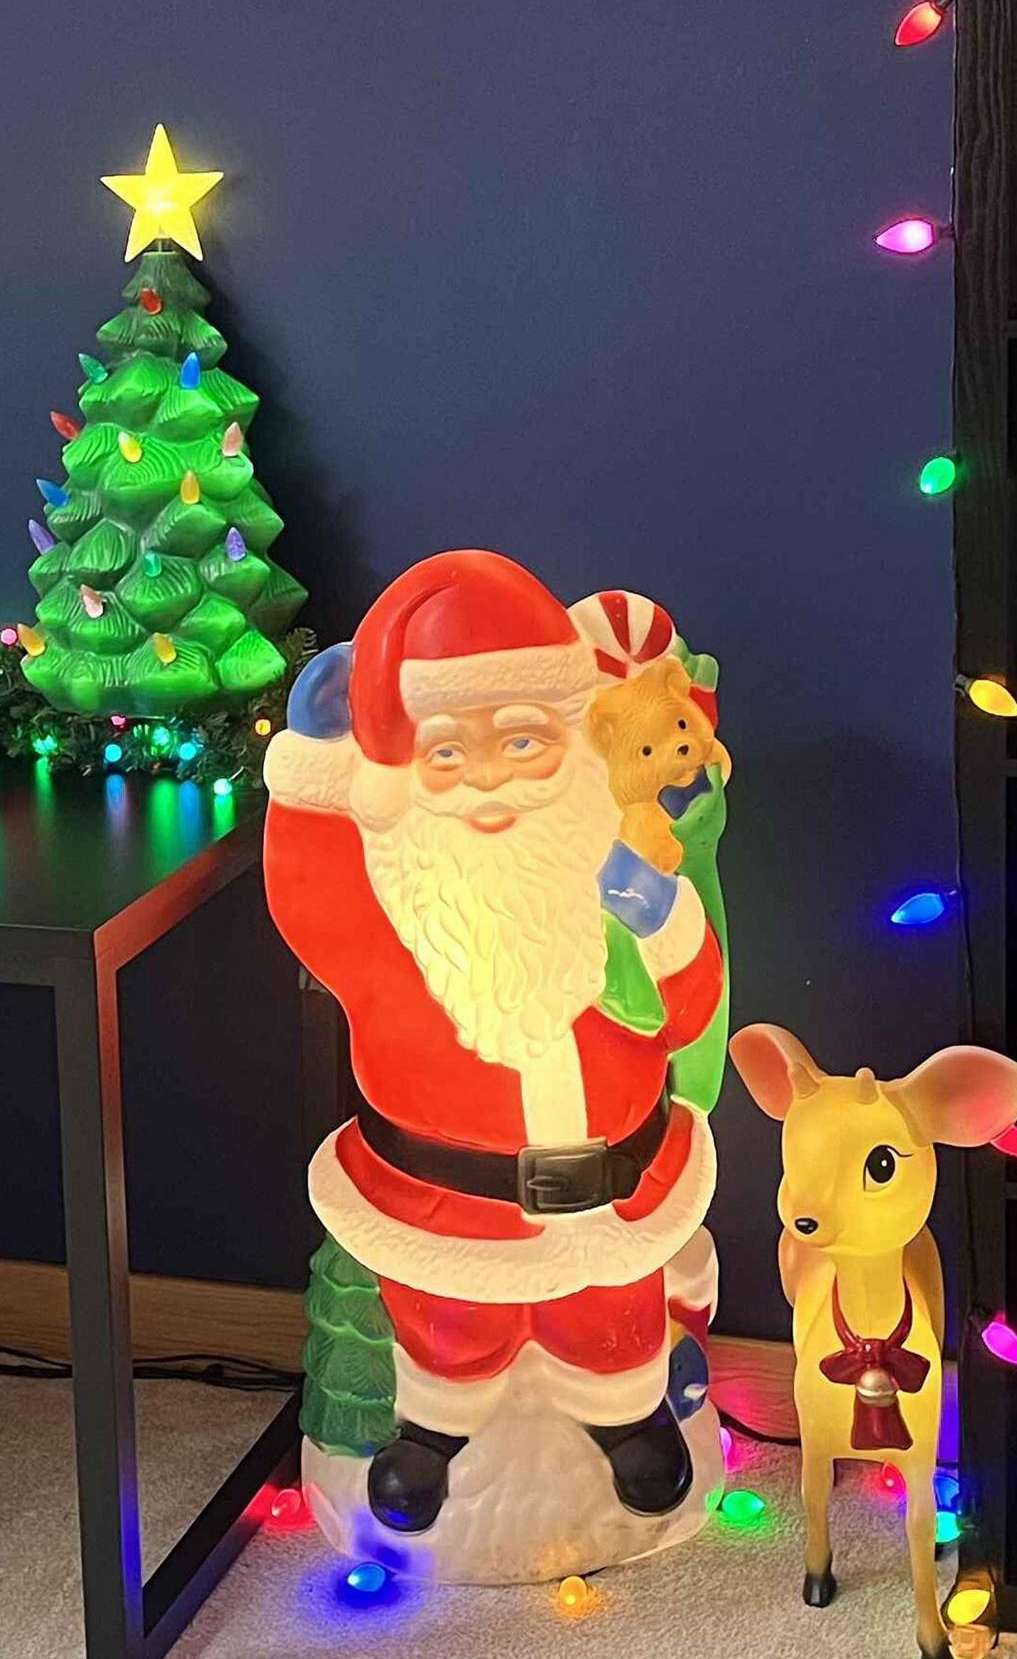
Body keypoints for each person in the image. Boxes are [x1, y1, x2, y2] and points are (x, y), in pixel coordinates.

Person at [263, 552, 723, 1546]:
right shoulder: (396, 895)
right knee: (449, 1319)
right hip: (449, 1198)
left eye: (521, 740)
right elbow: (310, 899)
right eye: (446, 752)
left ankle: (627, 1411)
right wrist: (310, 767)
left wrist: (662, 918)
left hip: (618, 1181)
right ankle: (434, 1428)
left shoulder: (622, 869)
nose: (487, 778)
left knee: (614, 1314)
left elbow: (692, 1008)